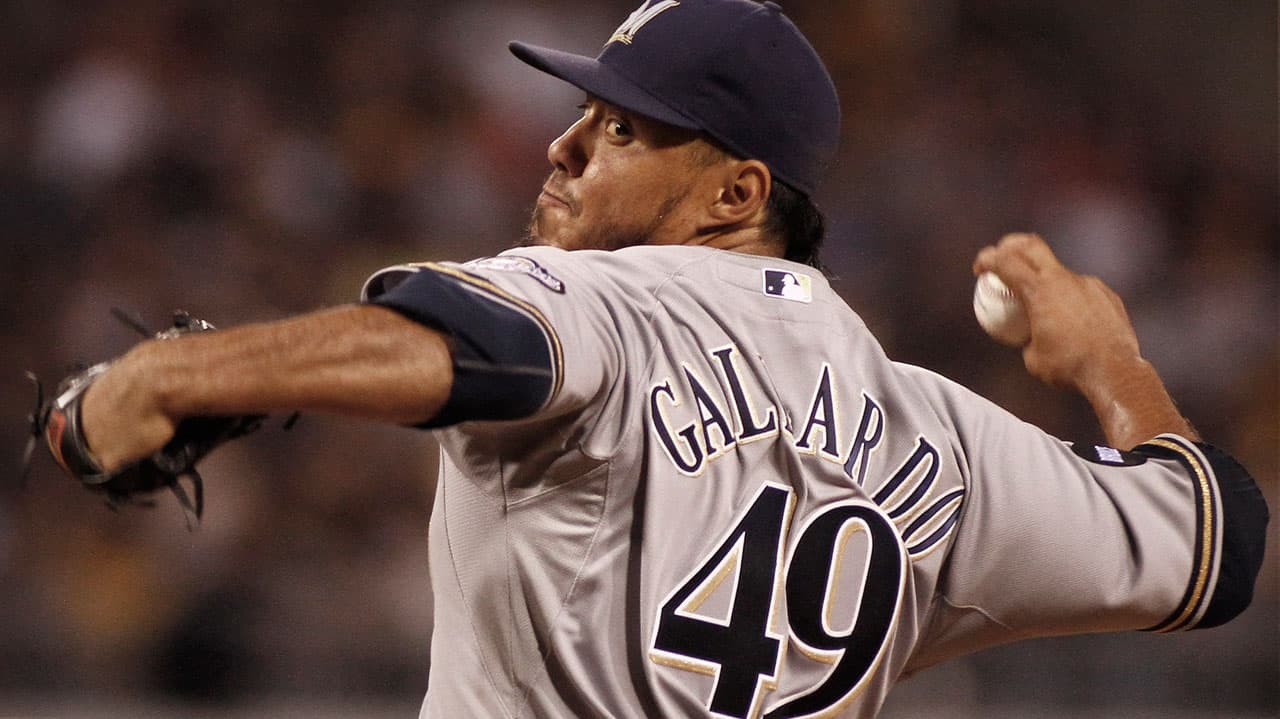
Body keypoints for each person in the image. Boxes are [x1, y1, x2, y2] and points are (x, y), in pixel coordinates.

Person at [71, 1, 1267, 717]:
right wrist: (1109, 359)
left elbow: (471, 351)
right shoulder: (939, 435)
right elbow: (1211, 544)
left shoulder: (607, 299)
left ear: (734, 191)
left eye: (621, 127)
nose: (566, 141)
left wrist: (176, 373)